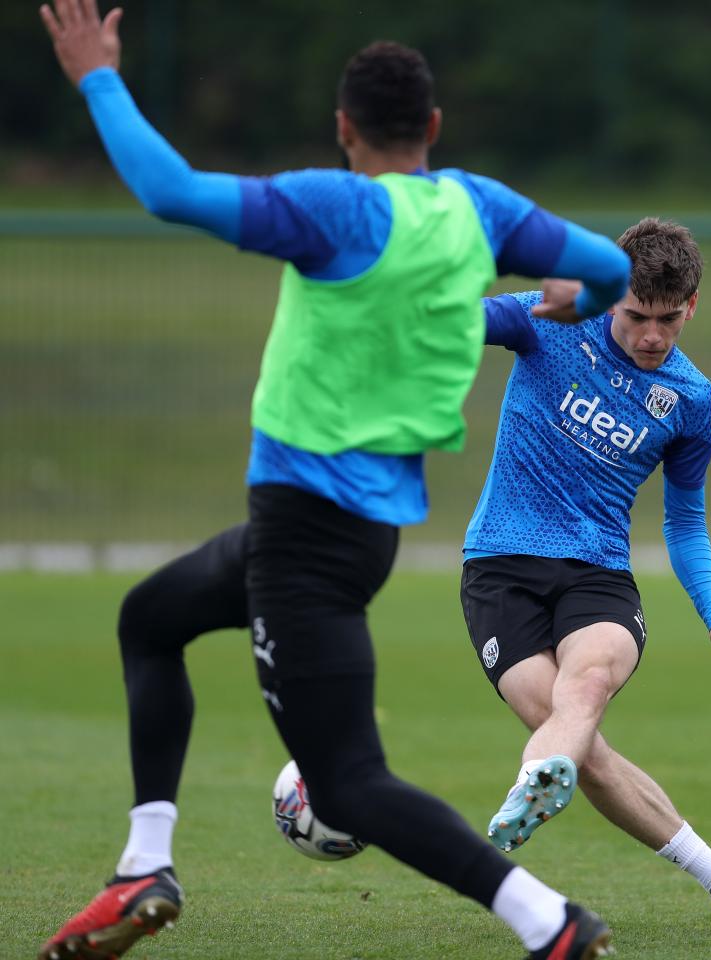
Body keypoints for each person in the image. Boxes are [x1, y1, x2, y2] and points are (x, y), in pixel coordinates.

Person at [37, 3, 630, 958]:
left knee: (351, 783)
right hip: (351, 533)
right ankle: (144, 864)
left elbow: (170, 190)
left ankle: (548, 922)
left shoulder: (331, 207)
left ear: (344, 127)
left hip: (305, 539)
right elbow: (607, 268)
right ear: (432, 129)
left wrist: (96, 76)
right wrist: (572, 299)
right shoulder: (477, 208)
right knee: (150, 618)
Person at [458, 218, 711, 936]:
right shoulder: (555, 319)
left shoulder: (692, 400)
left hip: (598, 573)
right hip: (499, 566)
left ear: (692, 304)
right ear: (610, 297)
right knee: (575, 737)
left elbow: (684, 519)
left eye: (668, 320)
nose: (652, 337)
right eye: (635, 317)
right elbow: (456, 323)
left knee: (587, 686)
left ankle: (533, 783)